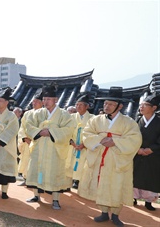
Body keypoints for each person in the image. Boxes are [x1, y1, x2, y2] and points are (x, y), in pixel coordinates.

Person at [80, 87, 141, 226]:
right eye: (105, 103)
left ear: (120, 106)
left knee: (116, 186)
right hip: (100, 158)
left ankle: (115, 215)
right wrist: (100, 140)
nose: (106, 107)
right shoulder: (96, 120)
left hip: (117, 160)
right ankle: (103, 213)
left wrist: (115, 141)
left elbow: (135, 139)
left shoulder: (129, 122)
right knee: (102, 185)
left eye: (111, 104)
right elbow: (87, 134)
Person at [25, 84, 75, 210]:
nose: (45, 102)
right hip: (39, 147)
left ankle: (56, 199)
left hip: (55, 149)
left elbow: (69, 129)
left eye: (48, 99)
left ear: (56, 100)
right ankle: (36, 195)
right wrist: (39, 132)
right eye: (44, 99)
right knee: (37, 170)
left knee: (55, 173)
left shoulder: (64, 114)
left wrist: (51, 132)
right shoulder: (38, 113)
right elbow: (29, 125)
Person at [133, 94, 160, 211]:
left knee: (151, 177)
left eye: (145, 105)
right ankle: (133, 197)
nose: (141, 107)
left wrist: (151, 149)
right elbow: (131, 136)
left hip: (154, 154)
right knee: (135, 175)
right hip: (137, 153)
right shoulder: (137, 120)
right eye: (141, 105)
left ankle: (149, 201)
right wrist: (137, 148)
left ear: (154, 108)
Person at [65, 93, 94, 189]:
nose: (78, 107)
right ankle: (67, 183)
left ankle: (78, 181)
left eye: (81, 105)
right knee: (69, 162)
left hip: (84, 146)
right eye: (77, 104)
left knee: (82, 164)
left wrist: (83, 144)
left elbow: (94, 134)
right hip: (72, 145)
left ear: (87, 106)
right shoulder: (71, 117)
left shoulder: (93, 119)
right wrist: (73, 143)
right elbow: (66, 131)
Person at [17, 90, 43, 186]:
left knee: (38, 162)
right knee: (26, 160)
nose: (34, 103)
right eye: (33, 101)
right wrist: (24, 138)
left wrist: (35, 138)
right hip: (27, 142)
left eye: (36, 102)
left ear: (42, 103)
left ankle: (38, 182)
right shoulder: (27, 114)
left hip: (38, 142)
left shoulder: (44, 114)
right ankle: (26, 178)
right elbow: (22, 127)